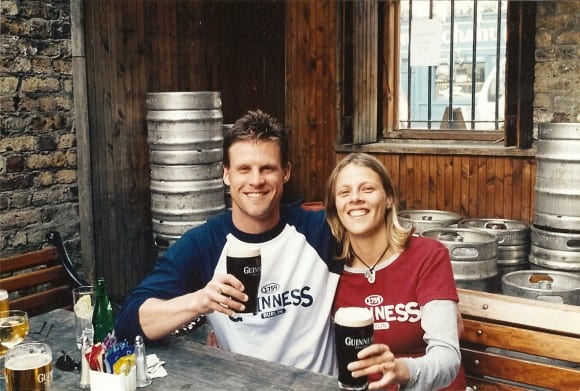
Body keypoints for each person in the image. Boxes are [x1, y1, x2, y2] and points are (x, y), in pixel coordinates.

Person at [115, 109, 342, 375]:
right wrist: (201, 300)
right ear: (226, 175)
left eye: (267, 168)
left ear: (286, 172)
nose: (255, 181)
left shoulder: (319, 231)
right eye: (243, 169)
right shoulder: (204, 244)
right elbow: (128, 324)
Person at [325, 153, 465, 390]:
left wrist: (402, 370)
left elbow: (448, 356)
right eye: (344, 192)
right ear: (335, 207)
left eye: (367, 189)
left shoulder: (427, 255)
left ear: (388, 199)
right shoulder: (329, 269)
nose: (355, 198)